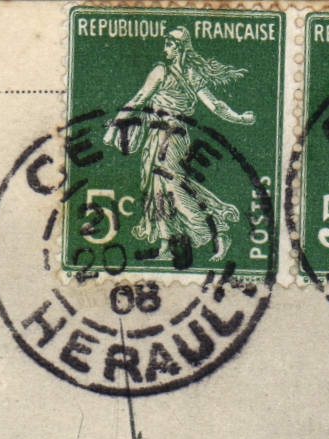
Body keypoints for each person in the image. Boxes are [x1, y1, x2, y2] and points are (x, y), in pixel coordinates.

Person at [103, 26, 257, 262]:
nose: (165, 49)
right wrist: (239, 118)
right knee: (158, 187)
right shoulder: (174, 72)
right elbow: (141, 100)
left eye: (169, 44)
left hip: (171, 136)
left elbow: (139, 100)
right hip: (159, 135)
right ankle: (166, 244)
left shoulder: (168, 72)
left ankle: (217, 229)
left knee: (173, 186)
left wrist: (239, 118)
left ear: (178, 48)